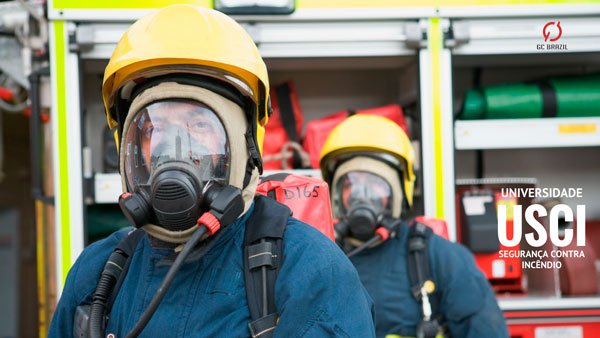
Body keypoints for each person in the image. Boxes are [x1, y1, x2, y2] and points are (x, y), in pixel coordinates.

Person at [48, 5, 375, 338]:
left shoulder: (309, 270)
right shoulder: (98, 273)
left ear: (246, 142)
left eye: (200, 125)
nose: (174, 149)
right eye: (155, 128)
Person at [319, 114, 509, 338]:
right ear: (335, 193)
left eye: (375, 184)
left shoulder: (441, 258)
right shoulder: (315, 260)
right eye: (351, 183)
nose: (363, 195)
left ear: (400, 191)